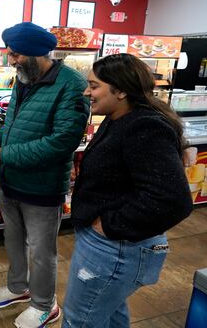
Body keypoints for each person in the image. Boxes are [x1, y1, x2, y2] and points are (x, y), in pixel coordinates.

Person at [62, 54, 193, 327]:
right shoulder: (118, 118)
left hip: (115, 250)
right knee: (110, 316)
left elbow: (172, 200)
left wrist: (109, 225)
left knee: (79, 321)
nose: (87, 92)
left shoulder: (143, 126)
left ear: (121, 90)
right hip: (110, 248)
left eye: (94, 85)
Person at [0, 22, 89, 328]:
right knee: (12, 239)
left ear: (36, 54)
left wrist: (6, 154)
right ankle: (18, 287)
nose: (10, 61)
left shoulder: (72, 85)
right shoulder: (23, 78)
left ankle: (45, 304)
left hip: (42, 186)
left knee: (41, 251)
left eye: (15, 55)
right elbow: (13, 123)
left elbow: (62, 141)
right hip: (12, 181)